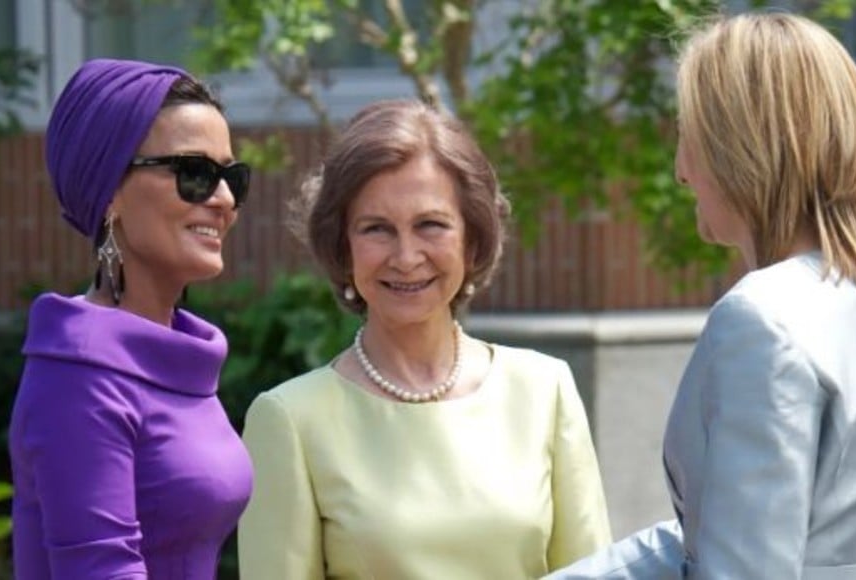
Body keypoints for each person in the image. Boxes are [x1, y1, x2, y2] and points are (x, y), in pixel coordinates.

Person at [545, 12, 856, 579]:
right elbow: (747, 530)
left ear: (734, 148)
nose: (680, 171)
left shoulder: (765, 319)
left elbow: (744, 568)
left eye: (686, 135)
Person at [237, 98, 611, 579]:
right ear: (342, 247)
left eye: (430, 225)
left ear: (472, 239)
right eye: (376, 229)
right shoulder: (290, 419)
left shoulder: (544, 390)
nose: (406, 256)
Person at [9, 58, 254, 578]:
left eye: (232, 176)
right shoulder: (79, 373)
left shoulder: (181, 354)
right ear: (110, 192)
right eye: (195, 174)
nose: (225, 199)